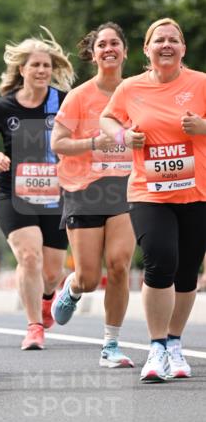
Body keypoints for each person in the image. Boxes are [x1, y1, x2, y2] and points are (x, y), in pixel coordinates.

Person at [100, 17, 206, 382]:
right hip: (149, 192)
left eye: (173, 40)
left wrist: (203, 128)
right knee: (161, 260)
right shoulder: (130, 88)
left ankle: (175, 342)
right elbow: (108, 119)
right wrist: (122, 137)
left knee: (187, 271)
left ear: (183, 49)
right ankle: (156, 347)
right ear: (146, 49)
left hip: (197, 192)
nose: (166, 45)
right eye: (158, 39)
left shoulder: (201, 84)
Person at [0, 29, 75, 350]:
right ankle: (33, 327)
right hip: (13, 193)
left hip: (56, 194)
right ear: (22, 70)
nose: (42, 70)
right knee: (29, 257)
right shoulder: (5, 107)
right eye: (36, 65)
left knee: (53, 272)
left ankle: (47, 300)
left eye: (47, 65)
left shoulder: (63, 101)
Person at [50, 22, 136, 368]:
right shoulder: (80, 97)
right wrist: (92, 143)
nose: (109, 49)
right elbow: (57, 142)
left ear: (125, 51)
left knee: (118, 266)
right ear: (94, 53)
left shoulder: (137, 92)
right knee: (89, 276)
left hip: (126, 185)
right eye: (103, 44)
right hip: (84, 189)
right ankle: (71, 288)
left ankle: (111, 344)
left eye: (115, 43)